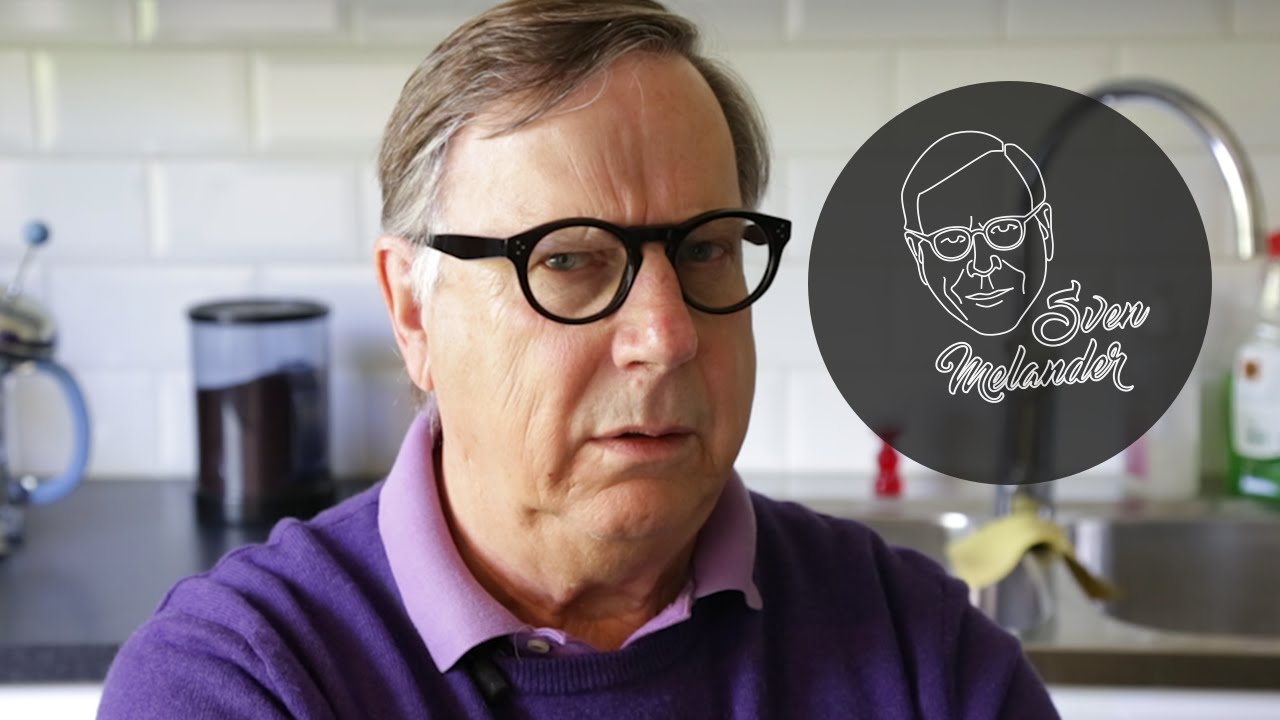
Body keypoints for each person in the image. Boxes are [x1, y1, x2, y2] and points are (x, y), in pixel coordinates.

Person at [98, 1, 1060, 717]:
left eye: (704, 249)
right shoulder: (245, 679)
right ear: (413, 311)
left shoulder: (921, 654)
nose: (666, 335)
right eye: (567, 260)